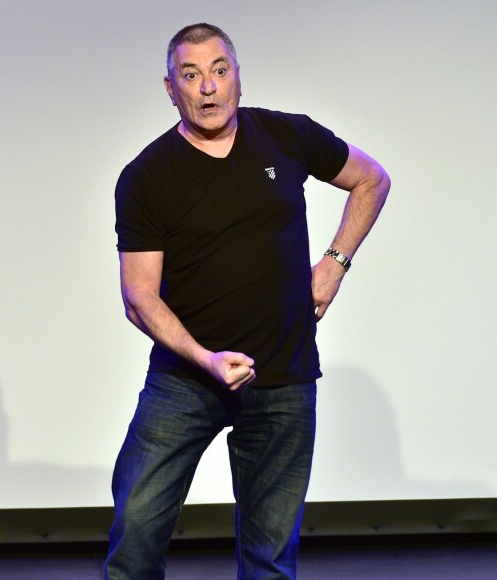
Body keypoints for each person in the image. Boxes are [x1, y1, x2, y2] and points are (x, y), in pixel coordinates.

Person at [104, 23, 390, 580]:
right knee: (135, 536)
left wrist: (335, 262)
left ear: (237, 78)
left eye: (218, 70)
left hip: (283, 375)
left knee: (269, 560)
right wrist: (205, 359)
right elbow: (139, 297)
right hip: (184, 379)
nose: (207, 87)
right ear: (170, 89)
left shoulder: (287, 136)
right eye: (191, 75)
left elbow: (371, 179)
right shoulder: (146, 176)